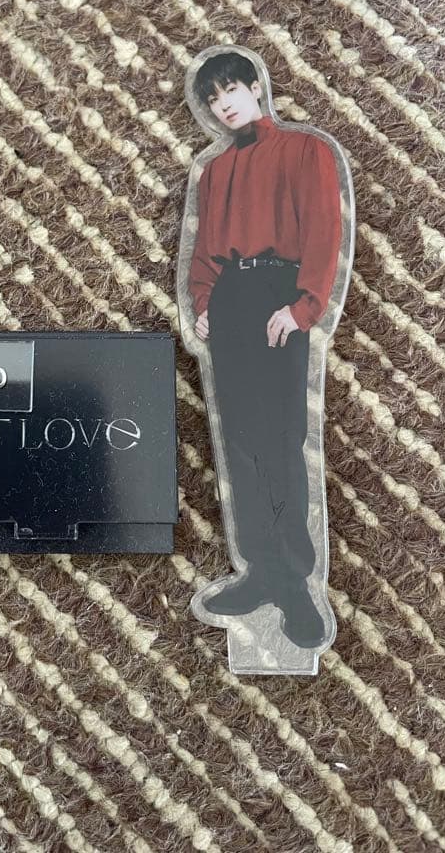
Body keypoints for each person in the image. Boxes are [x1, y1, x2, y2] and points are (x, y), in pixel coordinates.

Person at [187, 51, 342, 648]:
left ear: (256, 87)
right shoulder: (215, 171)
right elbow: (206, 249)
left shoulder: (306, 151)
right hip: (231, 299)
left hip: (280, 296)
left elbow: (324, 232)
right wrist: (205, 301)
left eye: (230, 90)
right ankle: (259, 570)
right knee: (241, 441)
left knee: (280, 438)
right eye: (212, 98)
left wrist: (303, 308)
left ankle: (294, 580)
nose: (223, 105)